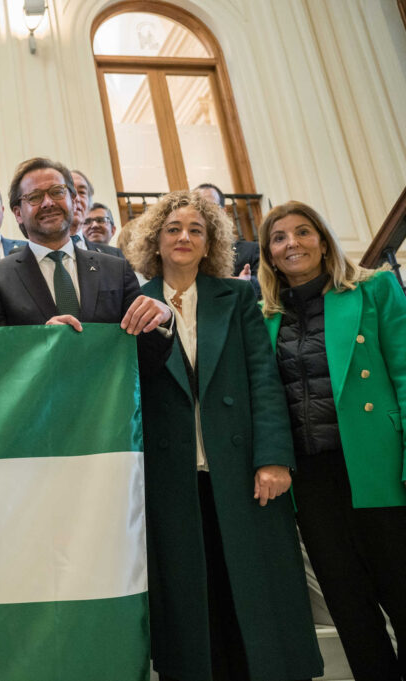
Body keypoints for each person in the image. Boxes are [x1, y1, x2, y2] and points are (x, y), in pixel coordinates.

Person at [124, 190, 322, 681]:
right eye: (173, 229)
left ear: (210, 241)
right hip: (172, 476)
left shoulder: (236, 296)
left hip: (242, 471)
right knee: (193, 599)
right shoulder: (134, 301)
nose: (185, 237)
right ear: (156, 239)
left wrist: (274, 458)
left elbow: (263, 379)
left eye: (196, 229)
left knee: (255, 594)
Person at [259, 201, 406, 681]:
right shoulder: (264, 318)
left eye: (303, 232)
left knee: (401, 589)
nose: (292, 243)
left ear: (323, 240)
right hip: (312, 478)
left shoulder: (374, 289)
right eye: (279, 238)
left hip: (376, 464)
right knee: (348, 603)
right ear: (269, 255)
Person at [0, 157, 172, 350]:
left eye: (57, 192)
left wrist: (163, 320)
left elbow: (143, 353)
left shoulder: (115, 269)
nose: (47, 203)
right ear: (18, 213)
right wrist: (41, 342)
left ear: (74, 201)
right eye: (35, 196)